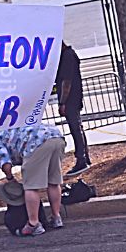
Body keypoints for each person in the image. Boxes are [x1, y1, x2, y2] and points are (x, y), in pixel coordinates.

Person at [0, 123, 66, 236]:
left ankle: (33, 224)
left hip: (35, 142)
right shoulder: (18, 123)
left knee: (31, 187)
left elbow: (5, 164)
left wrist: (10, 179)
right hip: (56, 136)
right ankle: (56, 217)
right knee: (53, 182)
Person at [55, 42, 91, 176]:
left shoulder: (67, 57)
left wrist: (62, 102)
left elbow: (67, 81)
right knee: (77, 128)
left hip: (71, 99)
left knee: (75, 128)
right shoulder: (69, 55)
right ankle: (84, 156)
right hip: (74, 97)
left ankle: (81, 158)